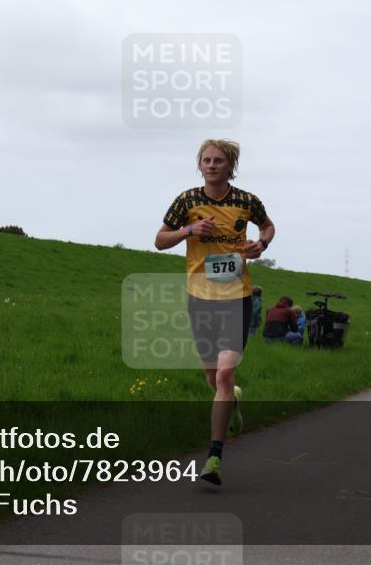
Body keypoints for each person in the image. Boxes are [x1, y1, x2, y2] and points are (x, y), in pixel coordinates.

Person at [155, 139, 275, 485]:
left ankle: (214, 457)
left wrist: (261, 244)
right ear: (199, 165)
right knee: (214, 379)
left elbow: (268, 226)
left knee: (223, 376)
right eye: (206, 160)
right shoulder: (187, 201)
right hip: (200, 297)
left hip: (237, 297)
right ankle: (232, 398)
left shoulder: (246, 201)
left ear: (230, 166)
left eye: (218, 160)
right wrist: (189, 230)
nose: (211, 165)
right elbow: (160, 240)